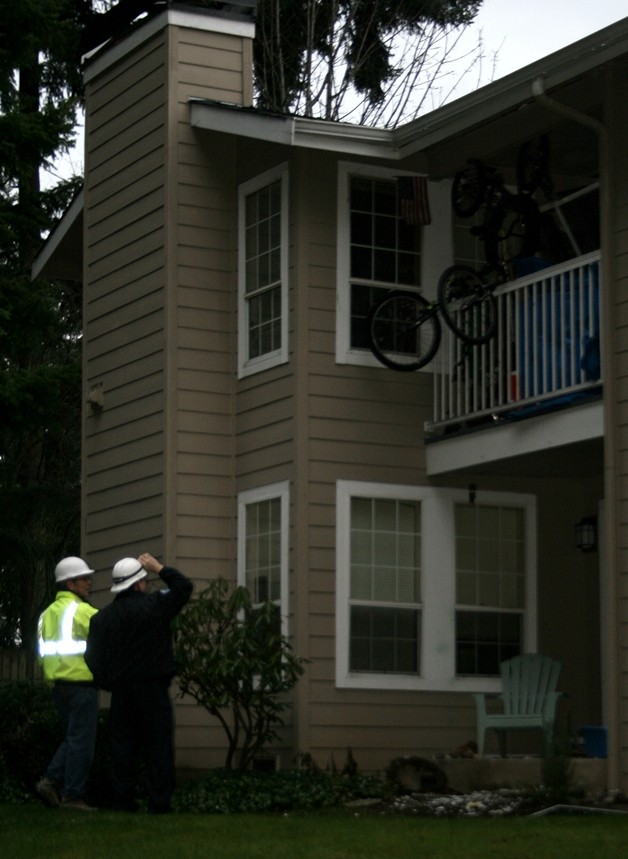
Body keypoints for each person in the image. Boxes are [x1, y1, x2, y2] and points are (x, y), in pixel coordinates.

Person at [85, 552, 193, 813]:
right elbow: (184, 587)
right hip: (153, 689)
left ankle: (123, 801)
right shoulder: (156, 605)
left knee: (122, 747)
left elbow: (92, 658)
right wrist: (159, 568)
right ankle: (159, 802)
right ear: (138, 583)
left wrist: (108, 683)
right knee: (158, 746)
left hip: (122, 692)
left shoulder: (101, 619)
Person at [36, 556, 99, 811]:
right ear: (70, 583)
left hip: (58, 686)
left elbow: (41, 652)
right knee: (81, 741)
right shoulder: (83, 611)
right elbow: (105, 640)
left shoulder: (46, 615)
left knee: (73, 738)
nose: (89, 582)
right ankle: (72, 796)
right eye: (84, 578)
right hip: (81, 685)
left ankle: (50, 781)